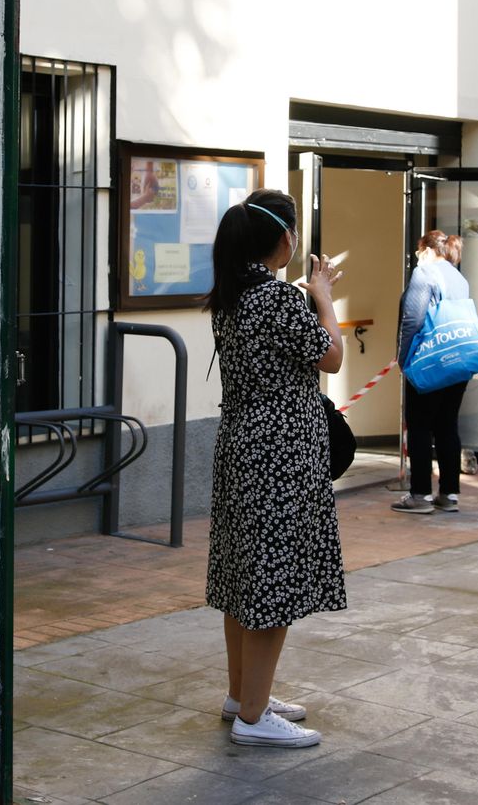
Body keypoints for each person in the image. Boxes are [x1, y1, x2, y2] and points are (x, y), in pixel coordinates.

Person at [205, 188, 345, 748]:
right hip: (280, 455)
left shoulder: (232, 296)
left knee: (245, 577)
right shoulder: (279, 299)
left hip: (242, 447)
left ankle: (244, 695)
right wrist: (323, 296)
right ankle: (254, 718)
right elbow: (332, 356)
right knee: (274, 583)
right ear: (284, 239)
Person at [393, 230, 473, 515]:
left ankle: (420, 495)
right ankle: (449, 494)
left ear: (426, 250)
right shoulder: (458, 277)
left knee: (419, 426)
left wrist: (403, 359)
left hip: (429, 362)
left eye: (418, 252)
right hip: (457, 362)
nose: (417, 258)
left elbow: (412, 319)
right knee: (447, 425)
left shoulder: (424, 274)